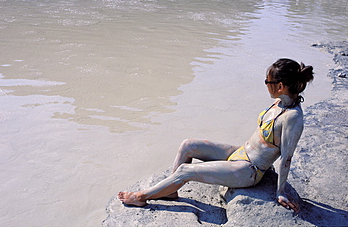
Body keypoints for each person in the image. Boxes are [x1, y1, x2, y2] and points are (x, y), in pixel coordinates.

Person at [118, 59, 314, 213]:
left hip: (249, 170)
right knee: (188, 144)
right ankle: (171, 191)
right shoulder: (280, 102)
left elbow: (287, 158)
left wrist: (281, 193)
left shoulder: (293, 118)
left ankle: (141, 197)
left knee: (187, 171)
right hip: (240, 153)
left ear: (280, 86)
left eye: (267, 81)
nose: (265, 85)